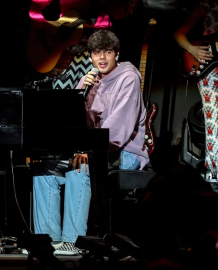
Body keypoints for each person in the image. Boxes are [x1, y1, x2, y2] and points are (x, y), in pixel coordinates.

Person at [33, 29, 149, 256]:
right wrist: (82, 92)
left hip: (124, 152)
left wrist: (91, 150)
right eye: (96, 53)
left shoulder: (128, 78)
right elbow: (76, 123)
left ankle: (73, 241)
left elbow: (119, 129)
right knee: (44, 168)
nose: (102, 58)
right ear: (91, 57)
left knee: (80, 167)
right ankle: (49, 239)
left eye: (107, 52)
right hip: (91, 148)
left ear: (116, 54)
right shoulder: (89, 80)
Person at [174, 0, 218, 176]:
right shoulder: (207, 6)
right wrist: (192, 49)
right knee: (214, 118)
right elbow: (179, 33)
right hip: (210, 69)